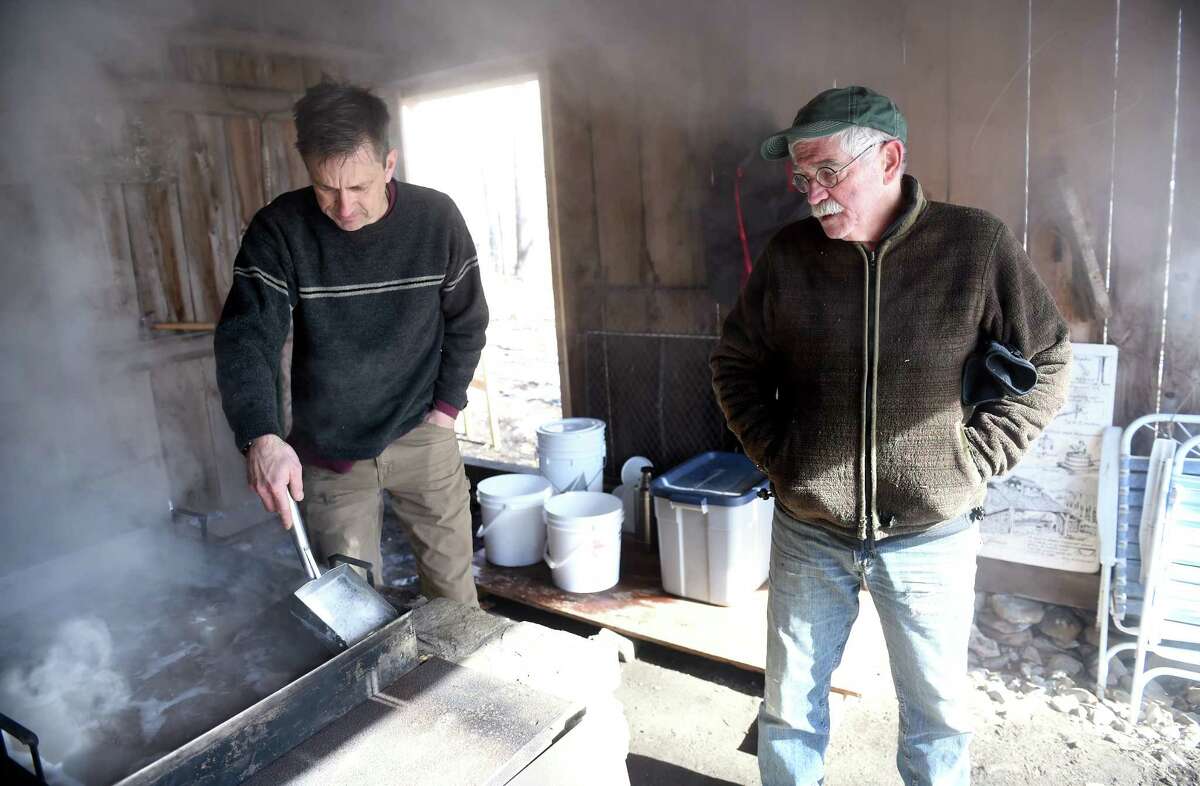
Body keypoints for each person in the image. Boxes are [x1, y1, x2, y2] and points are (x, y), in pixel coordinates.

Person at [710, 86, 1072, 785]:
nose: (811, 193)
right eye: (801, 176)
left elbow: (1051, 358)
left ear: (888, 158)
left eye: (825, 172)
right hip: (810, 531)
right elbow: (735, 363)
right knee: (788, 712)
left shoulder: (974, 246)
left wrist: (977, 457)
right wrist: (780, 458)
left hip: (932, 535)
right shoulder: (790, 256)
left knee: (937, 722)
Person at [215, 81, 487, 606]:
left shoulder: (436, 220)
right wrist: (262, 437)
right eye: (326, 189)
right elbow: (247, 337)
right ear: (308, 168)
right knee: (351, 612)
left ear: (389, 164)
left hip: (422, 434)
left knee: (456, 600)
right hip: (329, 452)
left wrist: (446, 410)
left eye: (359, 187)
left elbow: (468, 319)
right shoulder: (280, 229)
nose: (344, 208)